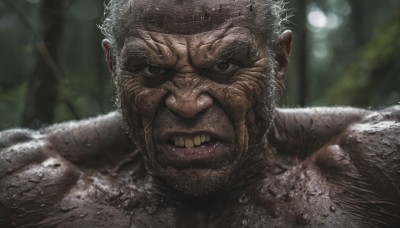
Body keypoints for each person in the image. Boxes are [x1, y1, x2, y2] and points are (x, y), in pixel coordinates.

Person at [1, 0, 399, 227]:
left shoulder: (375, 164)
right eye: (154, 70)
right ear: (114, 67)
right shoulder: (25, 185)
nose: (188, 104)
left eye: (224, 66)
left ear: (278, 60)